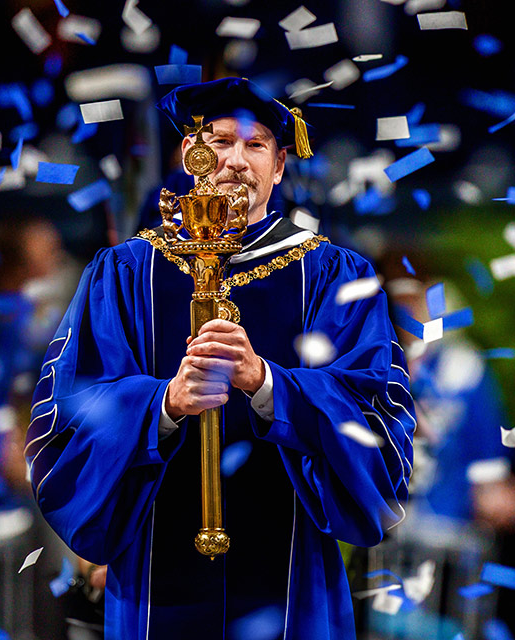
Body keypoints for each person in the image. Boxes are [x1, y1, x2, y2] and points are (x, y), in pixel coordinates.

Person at [25, 77, 415, 640]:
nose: (236, 160)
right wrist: (162, 404)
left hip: (290, 580)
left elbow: (379, 429)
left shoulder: (334, 276)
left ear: (279, 166)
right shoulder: (125, 272)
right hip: (154, 581)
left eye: (256, 146)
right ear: (190, 153)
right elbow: (66, 415)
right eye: (221, 140)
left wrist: (269, 386)